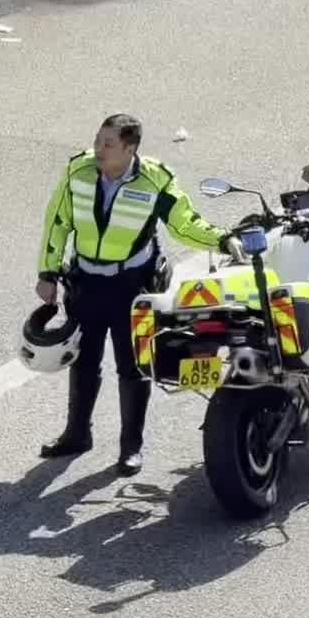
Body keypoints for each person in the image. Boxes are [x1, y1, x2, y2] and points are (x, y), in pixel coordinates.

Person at [35, 113, 242, 476]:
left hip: (133, 287)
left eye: (108, 144)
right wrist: (47, 273)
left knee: (133, 368)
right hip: (85, 283)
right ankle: (77, 434)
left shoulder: (154, 181)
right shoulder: (78, 171)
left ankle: (131, 447)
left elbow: (184, 223)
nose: (98, 149)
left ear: (129, 148)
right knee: (83, 362)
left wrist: (223, 238)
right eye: (98, 140)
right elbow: (58, 221)